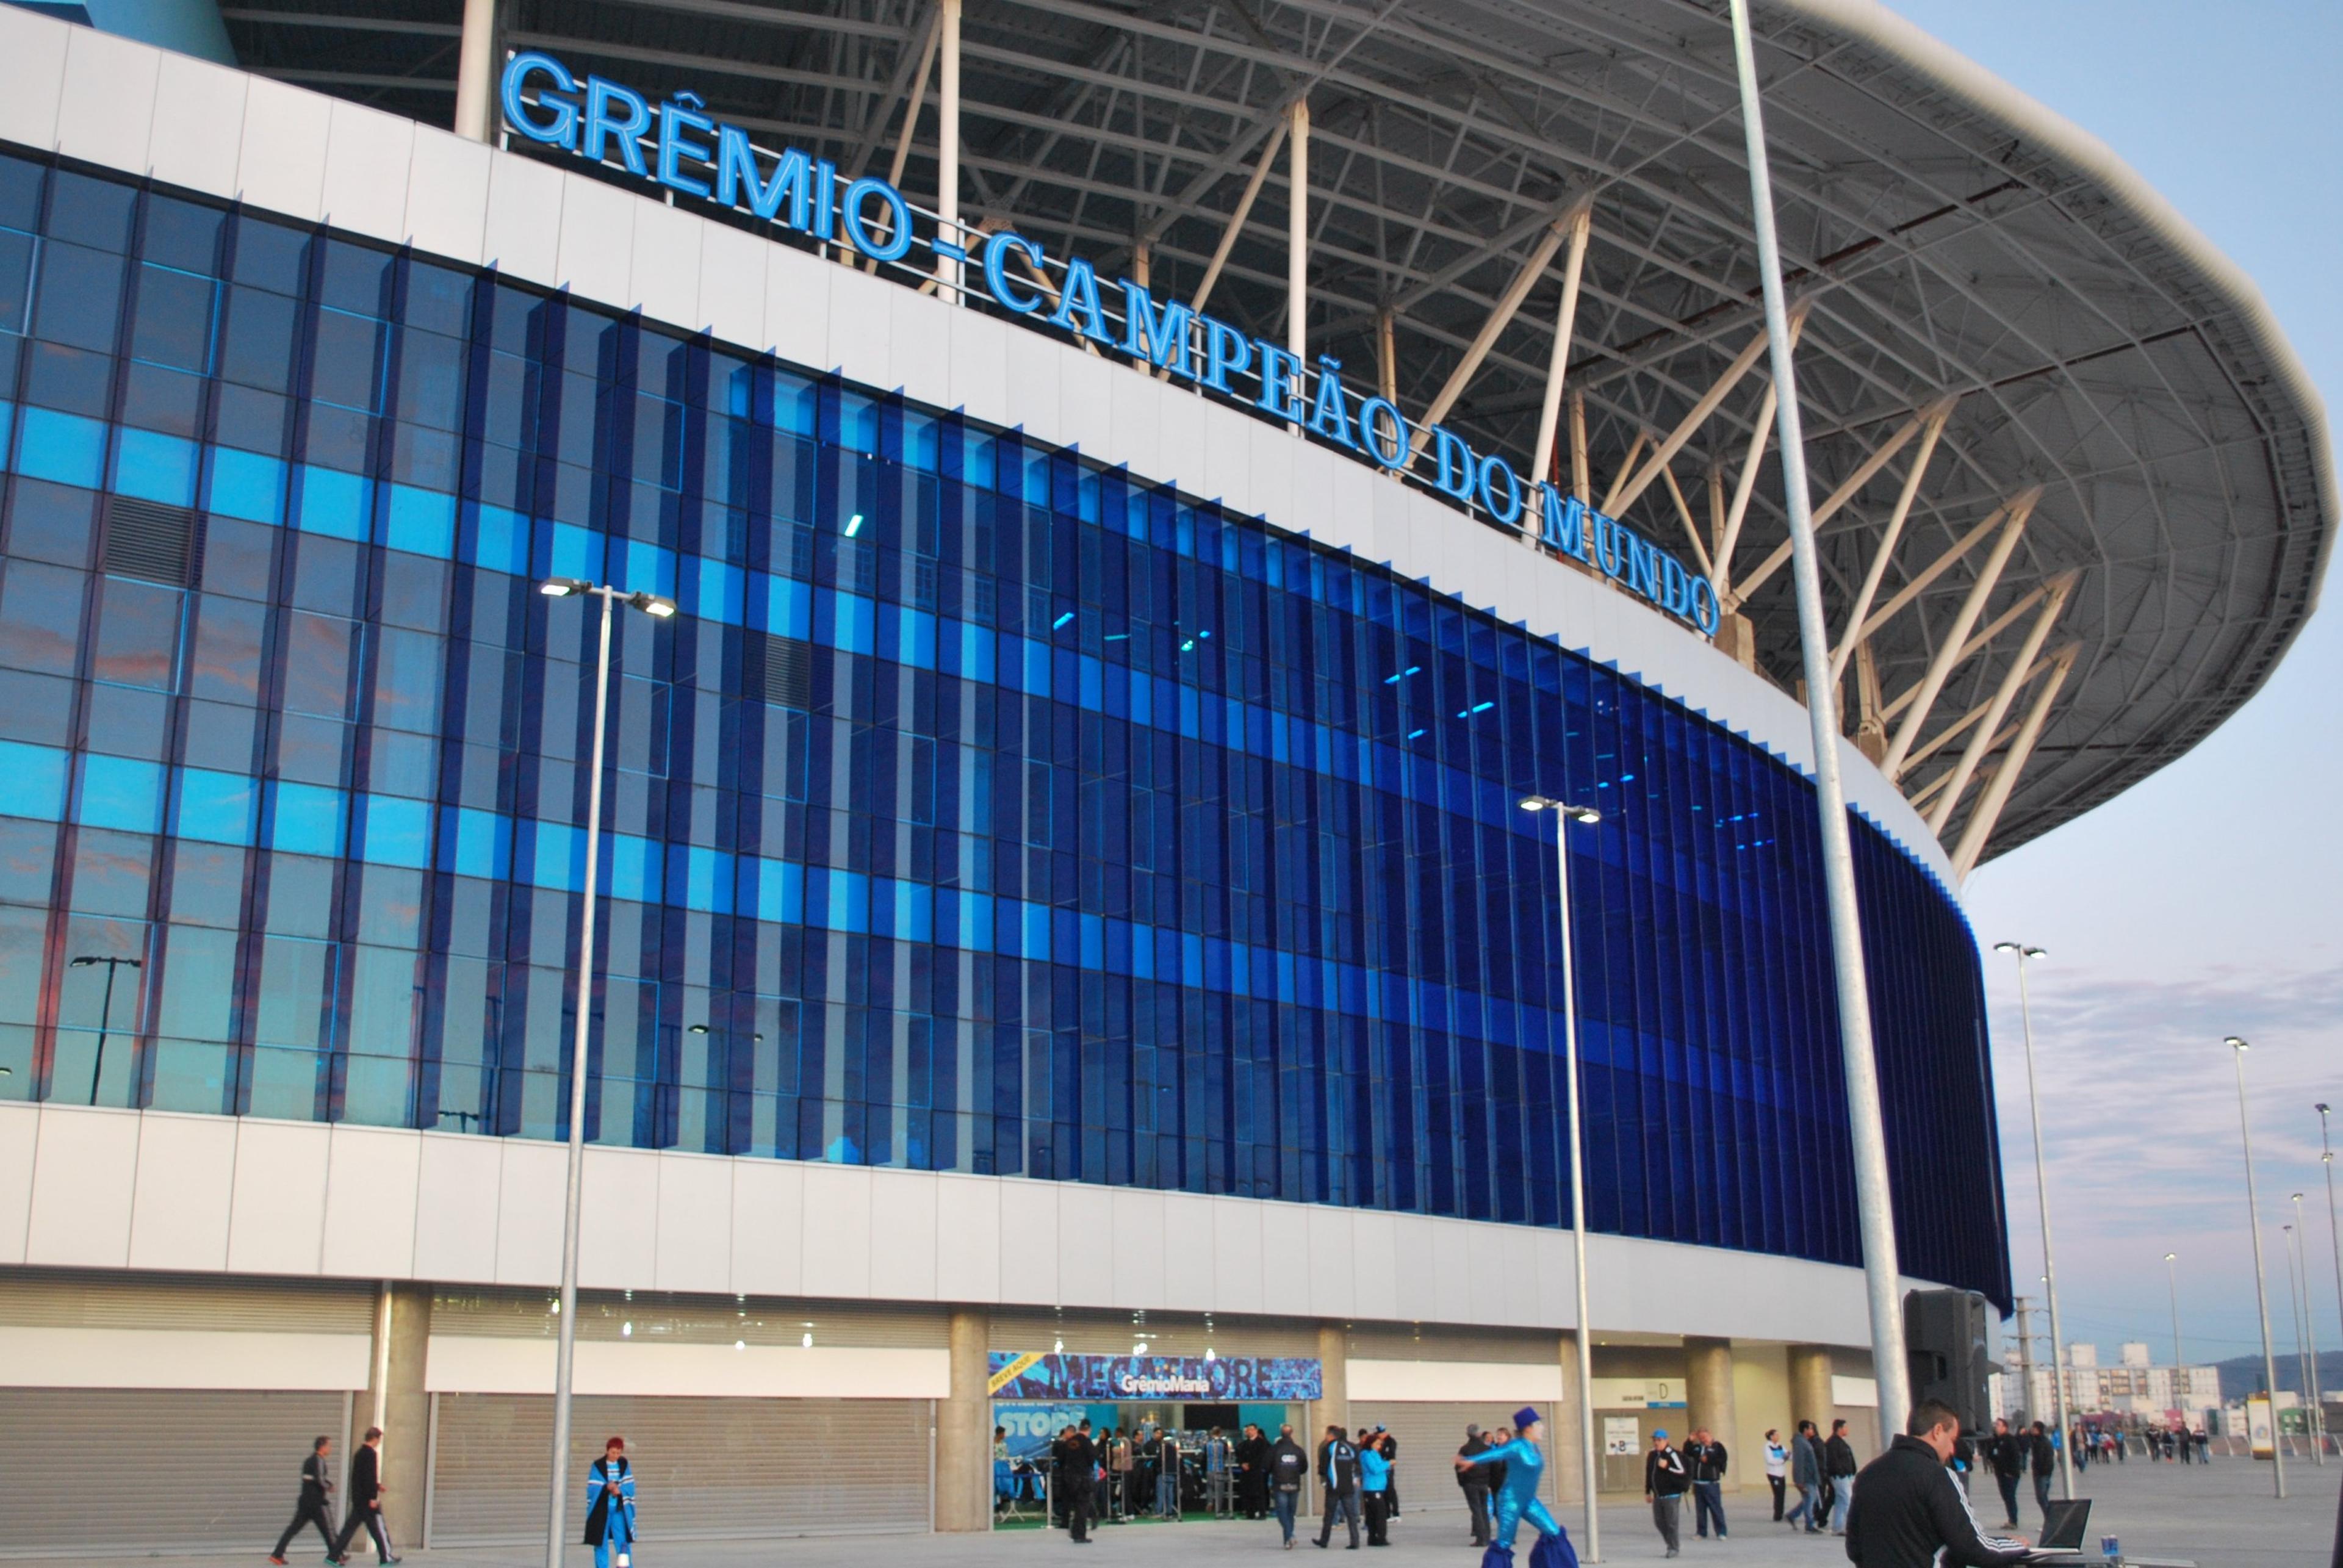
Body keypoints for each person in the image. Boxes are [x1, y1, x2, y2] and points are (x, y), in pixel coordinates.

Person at [1841, 1398, 2029, 1568]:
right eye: (1952, 1440)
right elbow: (1972, 1547)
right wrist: (2014, 1545)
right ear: (1938, 1431)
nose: (1952, 1449)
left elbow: (1854, 1546)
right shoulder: (1938, 1476)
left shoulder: (1868, 1474)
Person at [1452, 1404, 1580, 1568]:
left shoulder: (1535, 1447)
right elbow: (1496, 1453)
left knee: (1553, 1533)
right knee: (1504, 1543)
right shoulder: (1517, 1445)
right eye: (1538, 1425)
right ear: (1527, 1428)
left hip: (1529, 1501)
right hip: (1510, 1502)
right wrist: (1472, 1460)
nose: (1542, 1428)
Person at [328, 1426, 396, 1566]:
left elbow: (360, 1477)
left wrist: (376, 1486)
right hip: (367, 1500)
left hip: (358, 1499)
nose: (379, 1442)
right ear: (375, 1439)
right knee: (377, 1530)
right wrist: (373, 1496)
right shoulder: (371, 1454)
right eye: (379, 1440)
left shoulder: (359, 1453)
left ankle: (333, 1556)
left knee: (349, 1530)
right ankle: (386, 1558)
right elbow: (370, 1476)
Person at [269, 1435, 337, 1564]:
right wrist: (329, 1487)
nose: (330, 1449)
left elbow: (310, 1479)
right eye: (329, 1446)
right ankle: (335, 1556)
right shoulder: (319, 1460)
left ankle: (277, 1554)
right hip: (316, 1503)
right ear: (322, 1447)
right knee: (327, 1529)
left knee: (293, 1529)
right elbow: (320, 1479)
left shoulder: (308, 1461)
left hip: (305, 1501)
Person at [581, 1437, 635, 1568]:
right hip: (602, 1511)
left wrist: (620, 1490)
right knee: (601, 1543)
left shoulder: (624, 1465)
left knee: (622, 1541)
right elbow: (593, 1487)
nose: (615, 1456)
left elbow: (630, 1485)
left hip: (618, 1510)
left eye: (618, 1453)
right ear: (607, 1451)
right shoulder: (598, 1466)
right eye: (613, 1452)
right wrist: (607, 1487)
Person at [1314, 1424, 1361, 1550]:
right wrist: (1355, 1478)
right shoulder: (1351, 1447)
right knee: (1351, 1515)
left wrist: (1324, 1479)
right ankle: (1355, 1541)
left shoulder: (1329, 1447)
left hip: (1334, 1487)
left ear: (1330, 1435)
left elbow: (1323, 1467)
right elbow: (1357, 1464)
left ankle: (1324, 1541)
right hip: (1348, 1487)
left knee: (1329, 1514)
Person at [1644, 1428, 1688, 1559]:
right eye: (1655, 1440)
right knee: (1659, 1522)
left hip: (1671, 1495)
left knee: (1671, 1523)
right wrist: (1648, 1491)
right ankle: (1672, 1543)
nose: (1657, 1443)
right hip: (1658, 1495)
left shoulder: (1672, 1454)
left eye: (1659, 1440)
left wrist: (1667, 1467)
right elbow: (1649, 1473)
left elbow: (1681, 1471)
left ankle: (1674, 1547)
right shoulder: (1652, 1455)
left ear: (1666, 1440)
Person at [1683, 1425, 1729, 1540]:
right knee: (1700, 1509)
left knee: (1715, 1508)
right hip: (1698, 1483)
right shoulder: (1698, 1448)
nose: (1703, 1439)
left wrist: (1709, 1460)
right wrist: (1689, 1441)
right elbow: (1687, 1452)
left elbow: (1722, 1460)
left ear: (1709, 1435)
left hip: (1711, 1483)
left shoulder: (1717, 1447)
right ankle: (1701, 1532)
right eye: (1700, 1438)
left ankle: (1721, 1532)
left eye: (1704, 1437)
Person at [1270, 1423, 1310, 1548]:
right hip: (1294, 1484)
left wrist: (1275, 1472)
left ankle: (1289, 1536)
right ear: (1291, 1434)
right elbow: (1304, 1467)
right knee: (1290, 1513)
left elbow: (1266, 1465)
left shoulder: (1274, 1449)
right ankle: (1289, 1538)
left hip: (1280, 1484)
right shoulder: (1298, 1450)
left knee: (1282, 1512)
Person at [1984, 1418, 2023, 1530]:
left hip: (2009, 1474)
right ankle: (2011, 1519)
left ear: (2005, 1427)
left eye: (1999, 1425)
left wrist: (2011, 1472)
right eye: (1996, 1425)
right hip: (2000, 1473)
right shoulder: (1996, 1440)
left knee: (2010, 1497)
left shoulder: (2009, 1440)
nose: (1996, 1427)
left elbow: (2016, 1457)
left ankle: (2014, 1521)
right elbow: (1991, 1454)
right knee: (2006, 1496)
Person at [1062, 1420, 1098, 1543]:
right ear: (1089, 1429)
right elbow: (1092, 1459)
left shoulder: (1070, 1441)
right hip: (1083, 1478)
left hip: (1070, 1478)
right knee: (1082, 1507)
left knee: (1074, 1506)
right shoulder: (1087, 1442)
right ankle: (1080, 1534)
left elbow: (1062, 1458)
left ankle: (1073, 1531)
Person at [1458, 1425, 1494, 1547]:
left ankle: (1481, 1538)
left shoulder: (1465, 1449)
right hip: (1484, 1483)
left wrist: (1462, 1482)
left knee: (1476, 1510)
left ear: (1468, 1434)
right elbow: (1494, 1466)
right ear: (1480, 1434)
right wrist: (1491, 1482)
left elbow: (1459, 1467)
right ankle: (1487, 1537)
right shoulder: (1487, 1449)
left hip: (1470, 1483)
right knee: (1484, 1509)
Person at [1785, 1420, 1823, 1533]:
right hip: (1806, 1477)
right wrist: (1799, 1481)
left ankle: (1793, 1515)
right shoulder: (1800, 1443)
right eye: (1810, 1429)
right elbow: (1799, 1462)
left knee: (1810, 1498)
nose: (1812, 1431)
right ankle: (1809, 1524)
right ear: (1805, 1430)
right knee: (1810, 1499)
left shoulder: (1805, 1442)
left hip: (1810, 1476)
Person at [1825, 1419, 1860, 1535]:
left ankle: (1838, 1527)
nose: (1847, 1429)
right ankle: (1854, 1527)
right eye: (1845, 1427)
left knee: (1840, 1501)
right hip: (1840, 1477)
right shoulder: (1833, 1443)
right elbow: (1833, 1461)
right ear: (1839, 1429)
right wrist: (1841, 1473)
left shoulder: (1842, 1442)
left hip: (1846, 1476)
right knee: (1848, 1500)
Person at [1360, 1433, 1394, 1546]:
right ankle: (1380, 1537)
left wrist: (1387, 1467)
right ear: (1371, 1443)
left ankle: (1374, 1537)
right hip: (1372, 1488)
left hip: (1379, 1487)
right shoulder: (1367, 1454)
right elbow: (1374, 1469)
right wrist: (1388, 1463)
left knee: (1374, 1514)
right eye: (1378, 1444)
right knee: (1379, 1514)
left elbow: (1380, 1467)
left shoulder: (1376, 1454)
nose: (1380, 1446)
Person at [1240, 1422, 1271, 1519]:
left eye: (1251, 1430)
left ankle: (1262, 1513)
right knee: (1248, 1492)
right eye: (1247, 1430)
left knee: (1259, 1492)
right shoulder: (1244, 1444)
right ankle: (1250, 1513)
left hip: (1257, 1472)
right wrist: (1242, 1463)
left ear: (1256, 1431)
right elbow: (1240, 1455)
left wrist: (1251, 1465)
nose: (1249, 1432)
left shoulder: (1262, 1443)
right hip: (1246, 1473)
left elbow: (1261, 1457)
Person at [2026, 1421, 2056, 1520]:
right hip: (2041, 1473)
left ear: (2038, 1430)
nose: (2032, 1430)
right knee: (2042, 1498)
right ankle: (2049, 1519)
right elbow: (2029, 1438)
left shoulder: (2043, 1442)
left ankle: (2050, 1520)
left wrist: (2043, 1471)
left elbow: (2047, 1459)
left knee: (2042, 1498)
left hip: (2042, 1474)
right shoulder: (2038, 1441)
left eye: (2034, 1428)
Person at [1762, 1428, 1788, 1522]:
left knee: (1783, 1494)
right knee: (1778, 1494)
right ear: (1771, 1436)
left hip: (1782, 1473)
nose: (1778, 1437)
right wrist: (1782, 1460)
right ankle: (1777, 1515)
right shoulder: (1767, 1447)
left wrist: (1788, 1456)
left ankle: (1781, 1513)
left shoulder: (1780, 1446)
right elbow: (1770, 1460)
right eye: (1776, 1435)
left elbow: (1787, 1455)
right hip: (1773, 1474)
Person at [1157, 1428, 1183, 1517]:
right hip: (1172, 1472)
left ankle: (1159, 1511)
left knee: (1161, 1493)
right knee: (1170, 1492)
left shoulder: (1163, 1448)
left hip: (1164, 1472)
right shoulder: (1174, 1449)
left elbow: (1159, 1460)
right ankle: (1169, 1511)